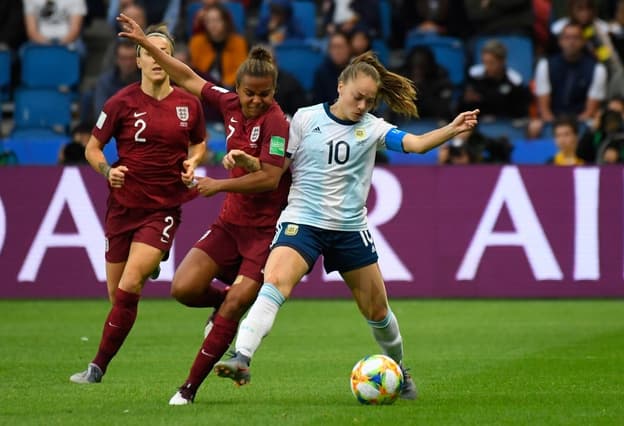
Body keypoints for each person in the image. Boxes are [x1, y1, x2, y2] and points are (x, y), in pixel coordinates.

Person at [213, 51, 480, 401]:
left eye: (370, 100)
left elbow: (414, 145)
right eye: (358, 97)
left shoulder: (372, 128)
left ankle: (401, 370)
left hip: (349, 229)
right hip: (302, 222)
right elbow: (275, 169)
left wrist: (452, 129)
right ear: (340, 87)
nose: (362, 106)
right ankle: (242, 357)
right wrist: (249, 161)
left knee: (377, 310)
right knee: (276, 282)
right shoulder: (304, 121)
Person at [116, 13, 292, 405]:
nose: (255, 100)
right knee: (184, 288)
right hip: (231, 225)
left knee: (237, 300)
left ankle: (188, 389)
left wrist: (220, 184)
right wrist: (146, 43)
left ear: (274, 91)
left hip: (265, 235)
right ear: (237, 87)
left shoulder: (278, 122)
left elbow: (270, 178)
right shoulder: (227, 103)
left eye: (264, 94)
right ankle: (220, 309)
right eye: (249, 93)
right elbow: (186, 75)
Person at [69, 24, 208, 384]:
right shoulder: (121, 102)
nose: (157, 57)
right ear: (140, 59)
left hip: (162, 207)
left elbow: (198, 143)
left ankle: (97, 368)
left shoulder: (188, 104)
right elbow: (92, 148)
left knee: (131, 284)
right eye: (150, 50)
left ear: (170, 59)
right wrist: (106, 170)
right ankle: (151, 260)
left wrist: (193, 161)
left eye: (163, 50)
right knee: (118, 296)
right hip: (123, 206)